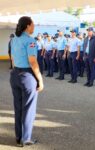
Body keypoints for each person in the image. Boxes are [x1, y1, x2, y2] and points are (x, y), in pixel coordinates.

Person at [10, 16, 44, 147]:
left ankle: (19, 137)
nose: (34, 27)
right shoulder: (30, 41)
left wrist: (16, 71)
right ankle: (26, 139)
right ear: (28, 26)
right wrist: (40, 80)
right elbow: (33, 61)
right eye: (33, 24)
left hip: (15, 74)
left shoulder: (14, 40)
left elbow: (13, 58)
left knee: (18, 107)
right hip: (27, 76)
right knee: (28, 109)